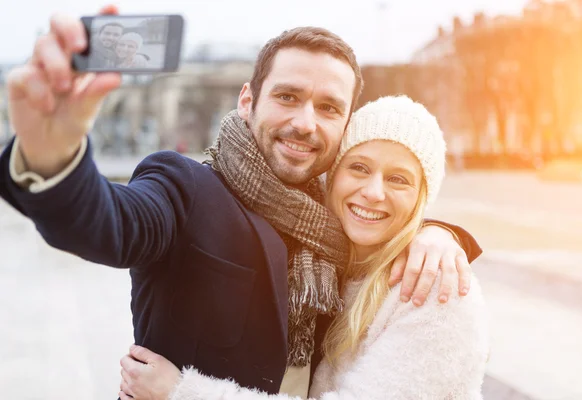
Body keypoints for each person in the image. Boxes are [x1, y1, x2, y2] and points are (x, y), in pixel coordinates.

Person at [0, 5, 481, 397]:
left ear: (345, 125)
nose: (306, 123)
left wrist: (435, 233)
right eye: (288, 97)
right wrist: (53, 156)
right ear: (248, 101)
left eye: (329, 108)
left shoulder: (338, 223)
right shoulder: (184, 186)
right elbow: (111, 224)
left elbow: (384, 206)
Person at [117, 95, 490, 400]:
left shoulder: (436, 289)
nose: (374, 192)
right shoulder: (334, 264)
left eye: (398, 179)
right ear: (333, 176)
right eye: (359, 168)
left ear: (422, 198)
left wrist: (182, 392)